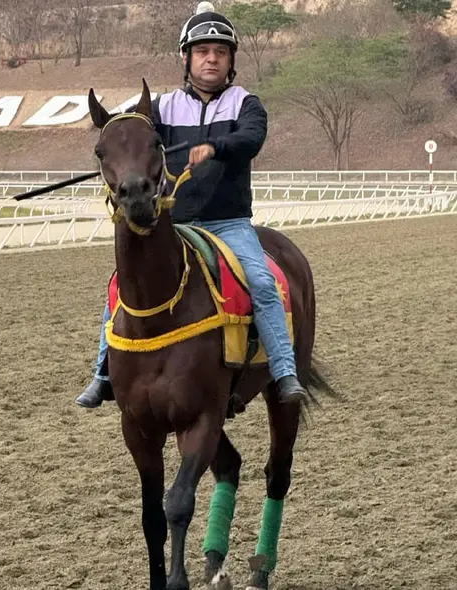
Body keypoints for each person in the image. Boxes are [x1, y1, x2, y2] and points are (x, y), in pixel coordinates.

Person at [75, 1, 307, 408]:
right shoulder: (161, 108)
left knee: (263, 284)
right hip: (176, 224)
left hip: (229, 224)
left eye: (220, 52)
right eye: (202, 51)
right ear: (187, 58)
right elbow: (127, 137)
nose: (211, 59)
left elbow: (251, 140)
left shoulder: (244, 103)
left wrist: (215, 146)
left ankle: (285, 371)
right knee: (120, 285)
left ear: (231, 59)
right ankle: (103, 375)